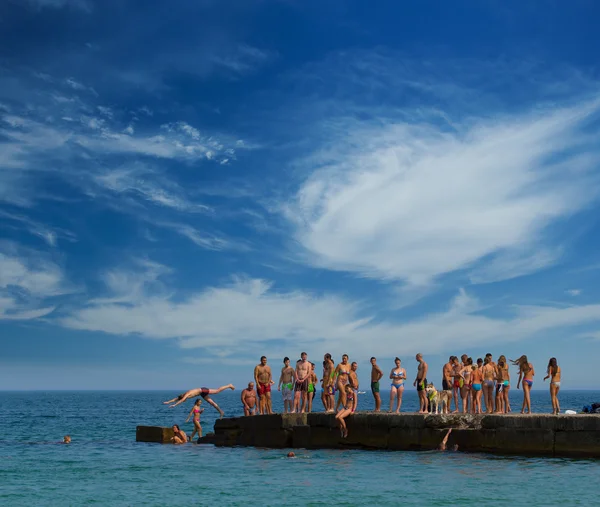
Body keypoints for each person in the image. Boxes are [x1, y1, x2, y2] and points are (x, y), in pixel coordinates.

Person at [163, 385, 235, 417]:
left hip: (202, 390)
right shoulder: (184, 395)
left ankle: (229, 385)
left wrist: (175, 405)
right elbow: (177, 398)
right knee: (211, 403)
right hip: (201, 394)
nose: (184, 400)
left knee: (217, 391)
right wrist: (168, 402)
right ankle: (221, 412)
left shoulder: (187, 394)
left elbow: (181, 400)